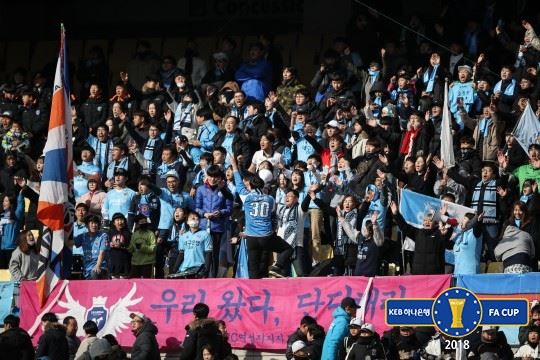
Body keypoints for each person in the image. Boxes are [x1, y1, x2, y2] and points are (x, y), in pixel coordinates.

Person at [172, 211, 212, 277]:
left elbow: (208, 254)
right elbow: (181, 254)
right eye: (191, 218)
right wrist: (174, 270)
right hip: (184, 269)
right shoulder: (183, 236)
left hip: (198, 269)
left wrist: (206, 271)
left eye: (196, 218)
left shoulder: (205, 234)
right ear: (187, 222)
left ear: (199, 221)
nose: (194, 219)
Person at [73, 214, 109, 279]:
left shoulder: (103, 235)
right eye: (92, 223)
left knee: (94, 273)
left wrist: (98, 266)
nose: (94, 225)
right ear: (87, 225)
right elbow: (69, 242)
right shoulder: (83, 236)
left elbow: (102, 252)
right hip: (87, 269)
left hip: (100, 268)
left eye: (96, 223)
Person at [128, 214, 157, 278]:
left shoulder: (150, 234)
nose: (144, 223)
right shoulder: (134, 235)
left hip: (147, 263)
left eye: (145, 221)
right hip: (135, 263)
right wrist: (127, 248)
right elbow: (131, 248)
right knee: (135, 282)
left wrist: (143, 247)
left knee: (147, 283)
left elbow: (153, 248)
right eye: (141, 222)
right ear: (137, 224)